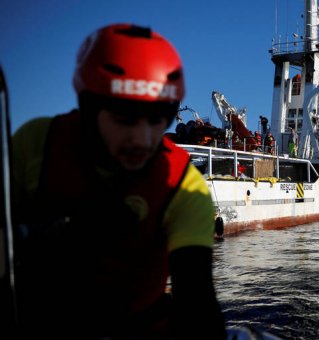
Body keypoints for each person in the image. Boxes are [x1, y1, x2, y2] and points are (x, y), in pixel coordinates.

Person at [11, 23, 226, 339]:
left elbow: (197, 299)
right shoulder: (36, 145)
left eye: (157, 121)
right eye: (124, 119)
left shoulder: (184, 186)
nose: (141, 138)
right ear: (88, 108)